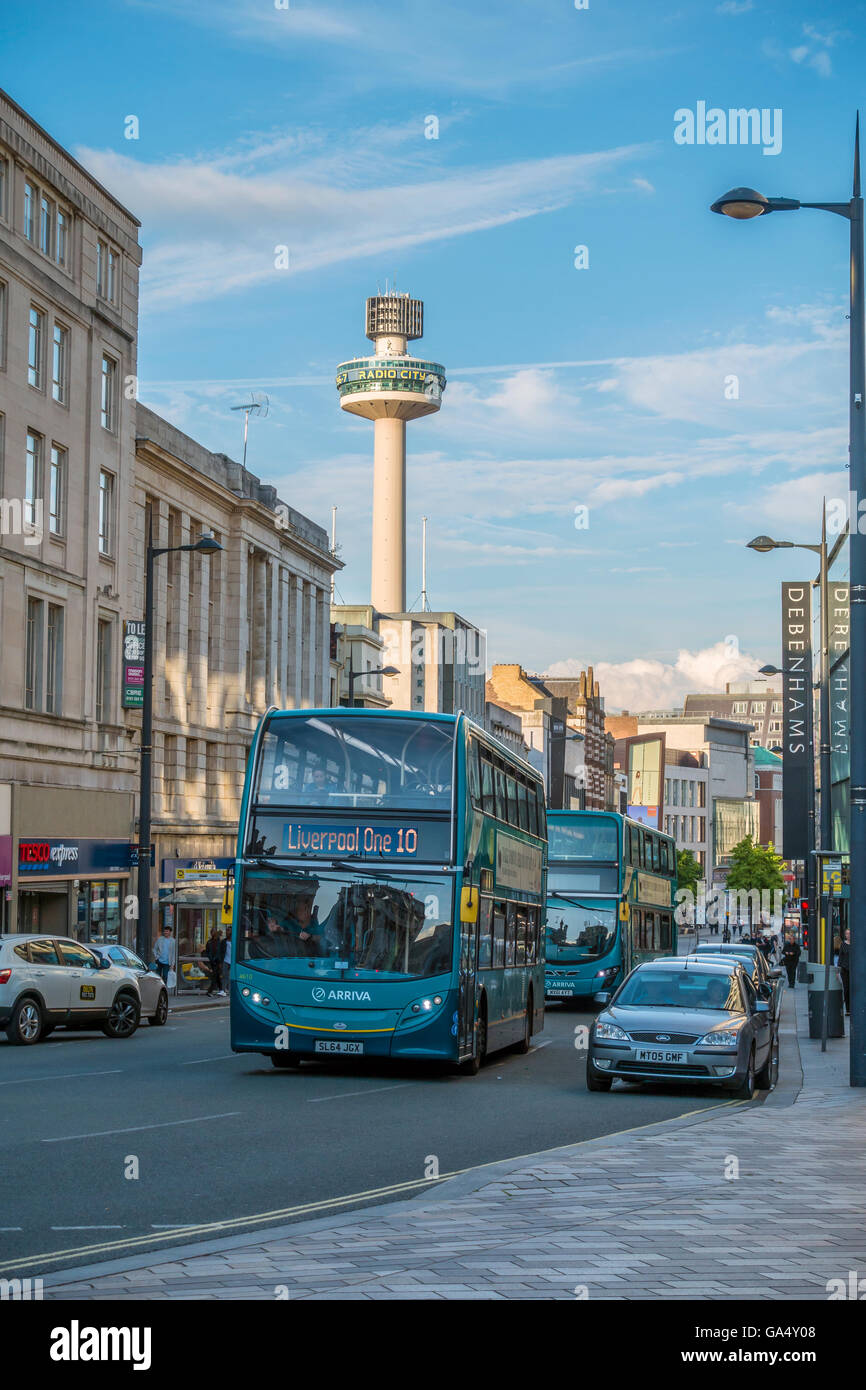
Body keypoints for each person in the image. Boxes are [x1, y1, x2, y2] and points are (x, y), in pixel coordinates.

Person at [204, 929, 223, 997]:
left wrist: (220, 961)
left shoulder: (220, 942)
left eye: (214, 932)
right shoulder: (209, 942)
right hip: (212, 962)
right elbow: (207, 952)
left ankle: (213, 990)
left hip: (218, 962)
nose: (213, 934)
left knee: (216, 976)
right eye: (212, 933)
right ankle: (220, 990)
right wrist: (211, 959)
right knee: (216, 976)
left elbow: (221, 952)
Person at [837, 928, 851, 1015]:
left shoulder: (856, 944)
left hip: (854, 970)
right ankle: (848, 1009)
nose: (848, 935)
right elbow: (840, 957)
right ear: (845, 935)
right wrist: (838, 971)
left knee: (853, 989)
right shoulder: (843, 945)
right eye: (847, 934)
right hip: (845, 970)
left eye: (850, 933)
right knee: (846, 989)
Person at [221, 927, 232, 996]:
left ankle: (230, 991)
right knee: (225, 975)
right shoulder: (224, 941)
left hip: (233, 961)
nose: (227, 932)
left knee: (231, 976)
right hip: (225, 960)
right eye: (226, 930)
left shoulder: (235, 940)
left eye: (228, 930)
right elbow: (220, 952)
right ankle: (223, 990)